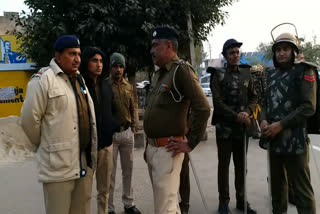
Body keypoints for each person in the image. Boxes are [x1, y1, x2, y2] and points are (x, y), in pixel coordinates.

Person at [20, 35, 97, 214]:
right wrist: (47, 145)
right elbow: (29, 120)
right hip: (57, 168)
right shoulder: (43, 80)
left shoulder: (79, 79)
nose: (77, 58)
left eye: (79, 54)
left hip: (82, 163)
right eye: (72, 53)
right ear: (58, 55)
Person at [144, 26, 210, 214]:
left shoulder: (181, 70)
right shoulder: (159, 74)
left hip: (168, 150)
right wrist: (149, 147)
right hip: (153, 149)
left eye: (155, 45)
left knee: (165, 208)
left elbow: (203, 107)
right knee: (167, 204)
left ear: (169, 45)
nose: (152, 50)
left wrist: (191, 142)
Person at [259, 32, 316, 214]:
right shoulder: (271, 74)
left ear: (293, 51)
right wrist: (264, 120)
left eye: (285, 49)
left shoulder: (305, 71)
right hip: (274, 142)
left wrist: (281, 125)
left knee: (302, 193)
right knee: (277, 191)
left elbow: (309, 107)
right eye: (278, 50)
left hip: (295, 143)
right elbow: (265, 103)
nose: (281, 53)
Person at [210, 39, 258, 214]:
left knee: (241, 165)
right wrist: (237, 116)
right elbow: (218, 103)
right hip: (224, 129)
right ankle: (223, 202)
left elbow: (254, 97)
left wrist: (247, 111)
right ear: (225, 56)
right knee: (223, 166)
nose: (236, 55)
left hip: (242, 129)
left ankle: (241, 200)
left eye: (238, 52)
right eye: (232, 53)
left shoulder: (247, 74)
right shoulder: (217, 74)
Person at [80, 47, 118, 214]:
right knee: (85, 193)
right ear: (86, 62)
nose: (99, 65)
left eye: (101, 61)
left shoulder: (106, 85)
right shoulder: (79, 85)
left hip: (106, 147)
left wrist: (111, 127)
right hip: (87, 149)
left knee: (104, 191)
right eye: (94, 61)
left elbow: (113, 110)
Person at [107, 52, 141, 214]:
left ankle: (129, 204)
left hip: (127, 133)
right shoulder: (105, 85)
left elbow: (133, 107)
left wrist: (134, 127)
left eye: (121, 66)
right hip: (111, 136)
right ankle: (110, 208)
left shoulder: (128, 86)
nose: (118, 69)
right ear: (111, 67)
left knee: (128, 171)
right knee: (110, 174)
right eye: (115, 66)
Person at [250, 64, 267, 139]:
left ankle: (256, 132)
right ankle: (257, 132)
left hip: (257, 102)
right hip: (258, 103)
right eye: (258, 72)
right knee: (257, 117)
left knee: (256, 117)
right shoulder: (260, 80)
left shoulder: (253, 79)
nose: (259, 74)